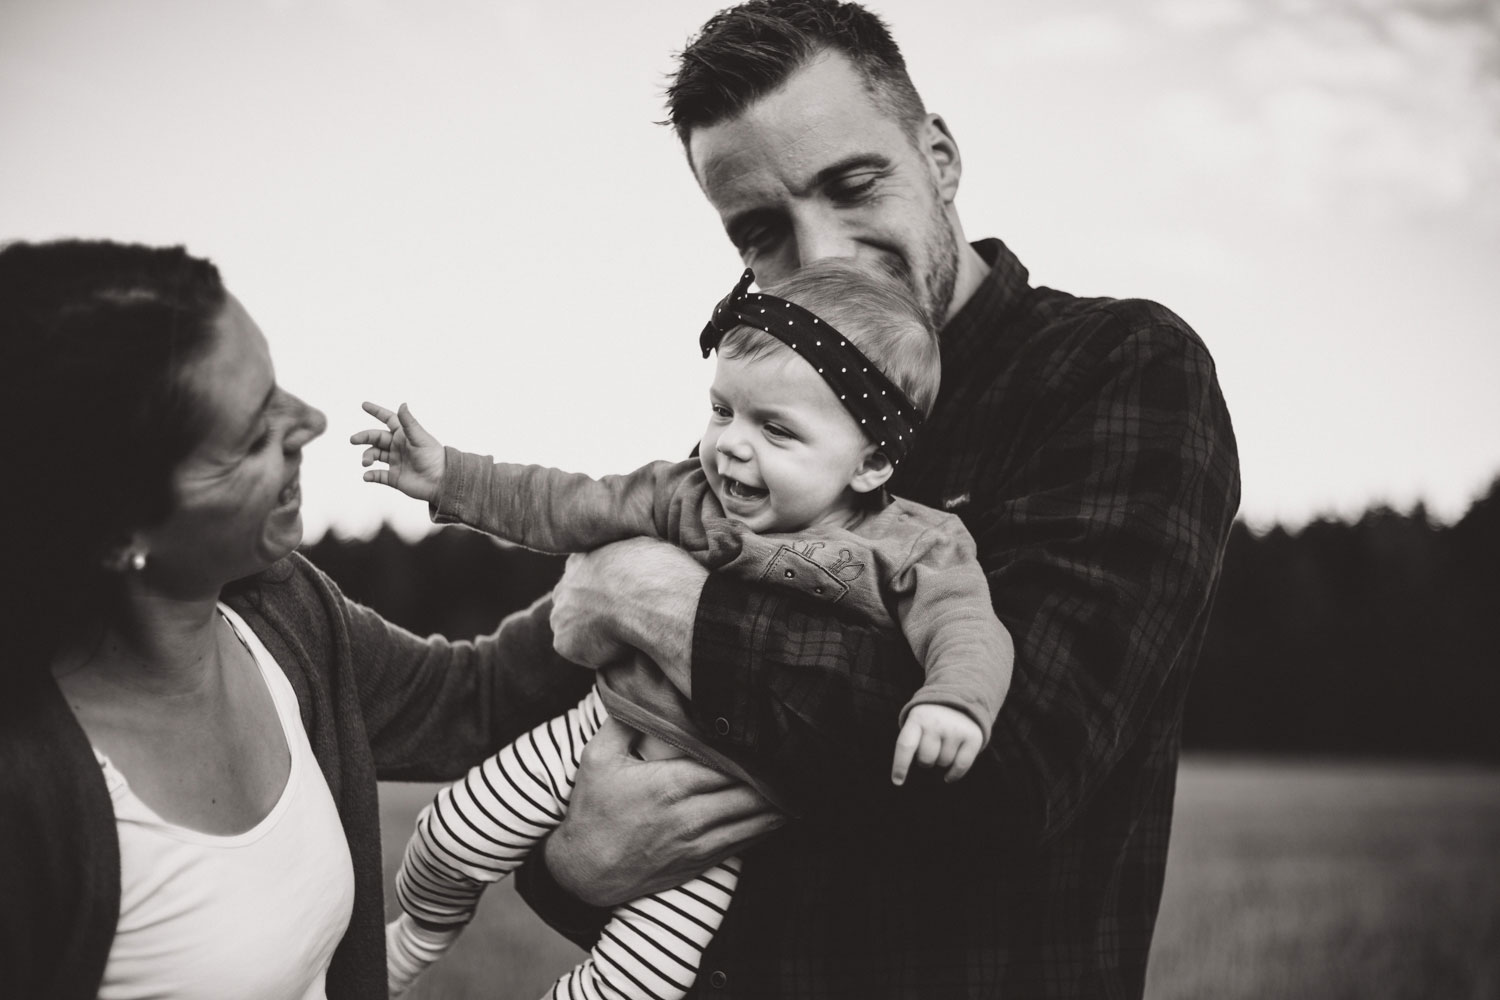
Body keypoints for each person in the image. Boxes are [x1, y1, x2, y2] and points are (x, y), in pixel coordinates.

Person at [511, 2, 1243, 997]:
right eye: (763, 232)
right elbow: (596, 751)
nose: (821, 256)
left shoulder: (1118, 370)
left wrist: (657, 600)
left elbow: (1020, 766)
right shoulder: (756, 440)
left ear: (939, 157)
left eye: (852, 186)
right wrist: (570, 869)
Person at [0, 238, 779, 1000]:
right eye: (253, 435)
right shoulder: (28, 787)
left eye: (278, 389)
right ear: (116, 530)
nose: (310, 421)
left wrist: (624, 579)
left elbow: (472, 698)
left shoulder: (284, 611)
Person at [354, 258, 1013, 998]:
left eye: (776, 429)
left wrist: (955, 701)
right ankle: (416, 938)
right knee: (450, 833)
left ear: (872, 462)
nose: (731, 444)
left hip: (722, 815)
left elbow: (965, 624)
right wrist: (451, 476)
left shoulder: (915, 544)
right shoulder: (687, 494)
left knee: (641, 981)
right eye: (723, 410)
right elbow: (569, 503)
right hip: (600, 727)